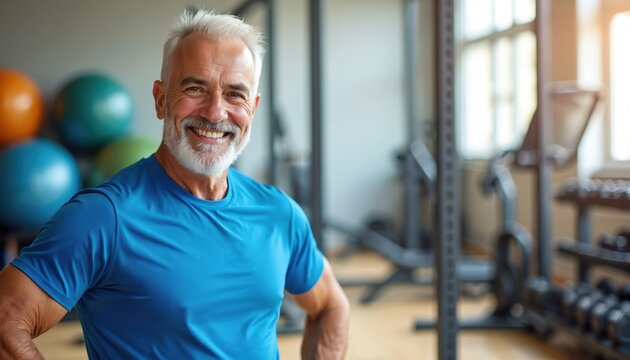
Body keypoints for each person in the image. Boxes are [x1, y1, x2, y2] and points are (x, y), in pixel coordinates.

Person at [0, 9, 350, 359]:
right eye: (195, 88)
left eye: (234, 94)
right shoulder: (103, 217)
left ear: (253, 108)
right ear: (160, 99)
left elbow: (331, 306)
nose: (215, 112)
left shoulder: (279, 213)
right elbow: (6, 320)